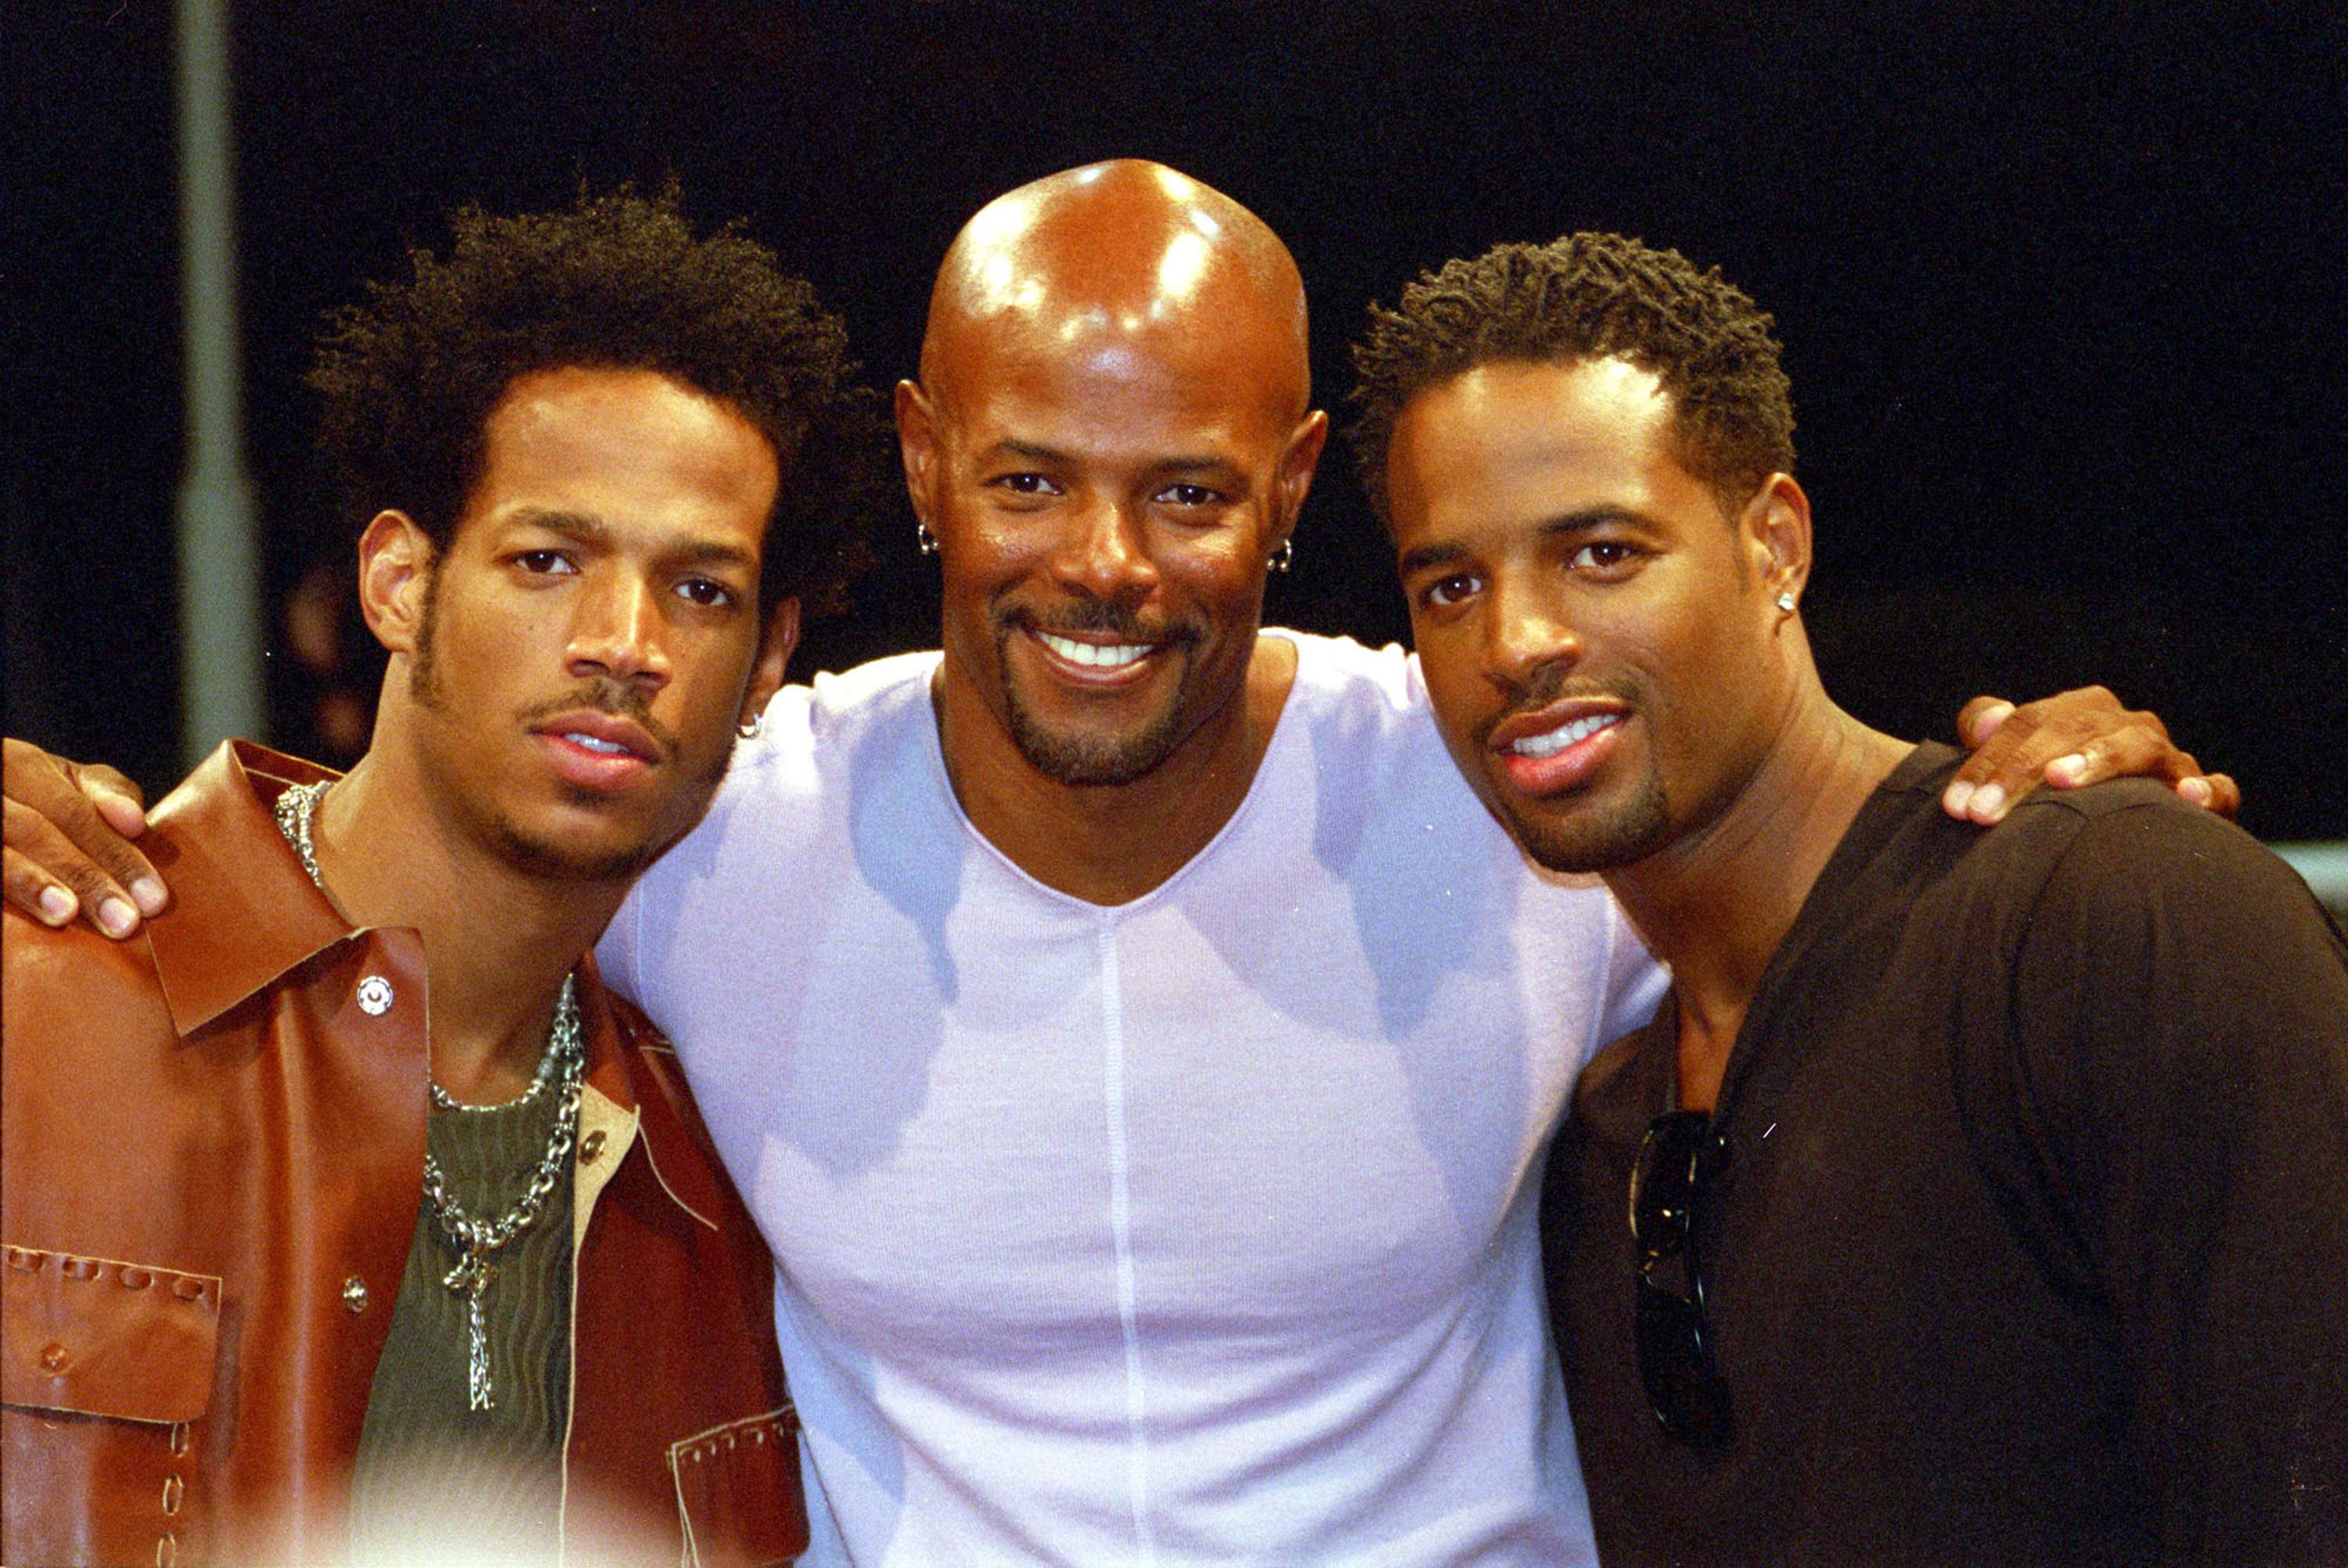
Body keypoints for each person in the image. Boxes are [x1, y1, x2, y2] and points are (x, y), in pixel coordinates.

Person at [5, 164, 2235, 1566]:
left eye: (1184, 491)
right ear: (919, 464)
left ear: (1291, 487)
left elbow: (1820, 887)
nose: (1104, 562)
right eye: (1030, 480)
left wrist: (2039, 789)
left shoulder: (1490, 794)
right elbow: (398, 839)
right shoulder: (729, 822)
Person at [1350, 229, 2348, 1564]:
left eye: (1599, 553)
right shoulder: (1597, 1142)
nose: (1516, 640)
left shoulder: (2116, 921)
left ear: (1775, 545)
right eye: (1451, 583)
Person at [0, 189, 880, 1566]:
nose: (624, 641)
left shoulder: (715, 1184)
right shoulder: (46, 990)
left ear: (766, 665)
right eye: (548, 561)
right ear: (400, 583)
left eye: (701, 591)